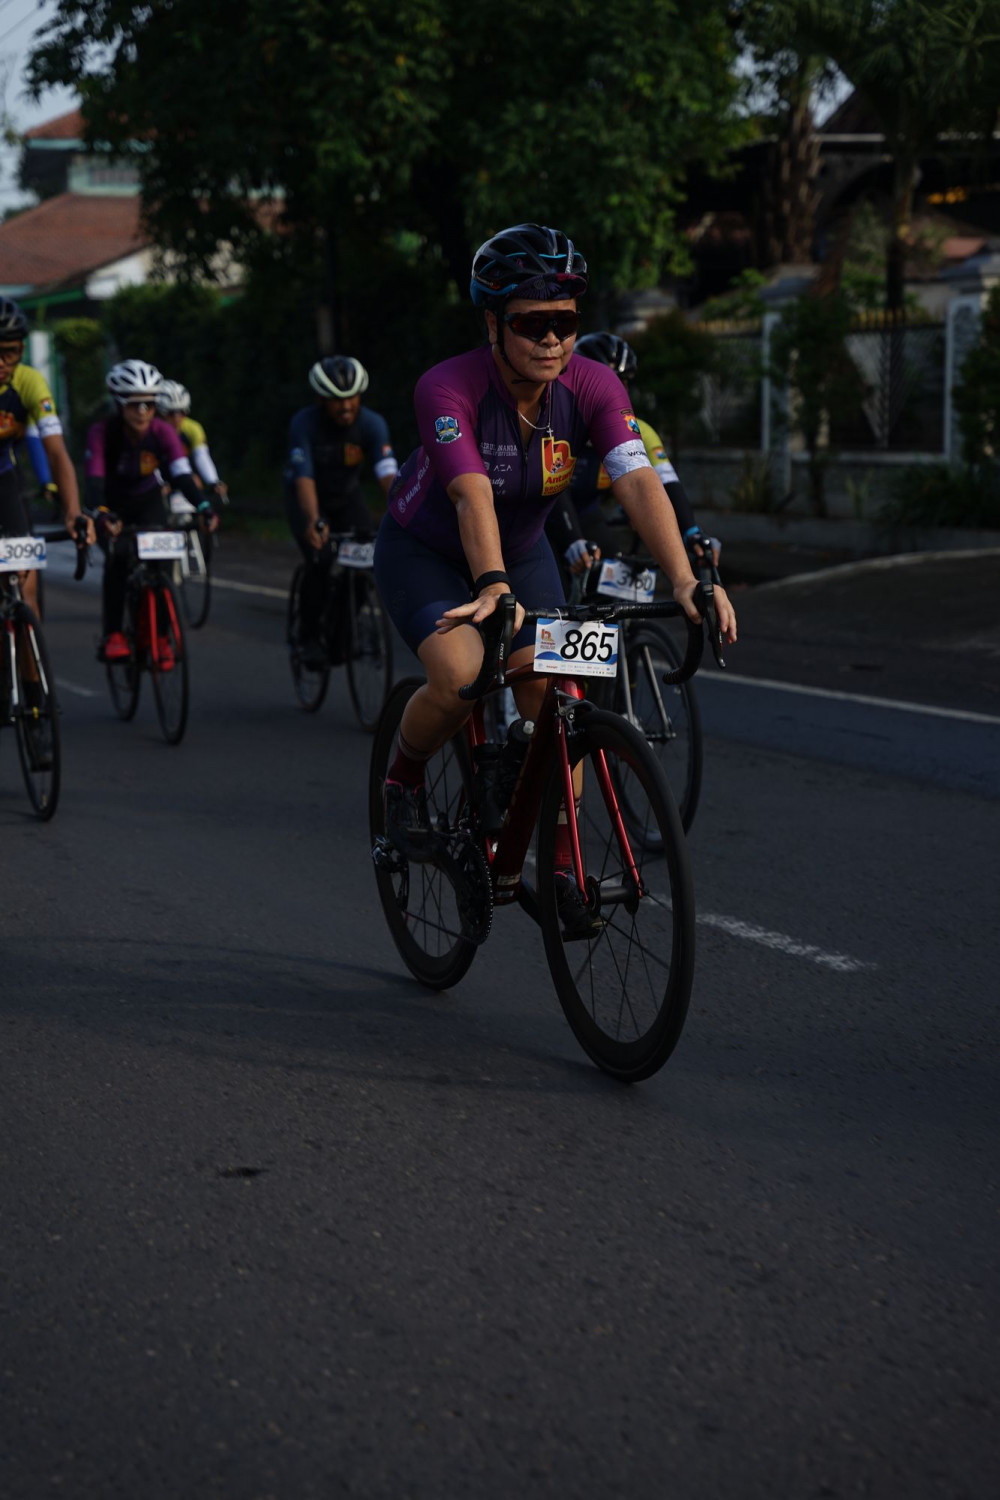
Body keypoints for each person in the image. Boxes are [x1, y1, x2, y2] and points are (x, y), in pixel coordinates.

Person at [373, 222, 737, 914]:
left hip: (523, 552)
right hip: (427, 550)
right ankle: (402, 779)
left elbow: (637, 480)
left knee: (558, 701)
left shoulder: (594, 384)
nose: (551, 340)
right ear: (492, 323)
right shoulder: (446, 387)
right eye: (531, 323)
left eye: (565, 322)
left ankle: (564, 868)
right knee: (459, 678)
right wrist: (492, 584)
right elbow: (471, 494)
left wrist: (687, 577)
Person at [545, 331, 717, 578]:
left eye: (622, 381)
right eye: (602, 379)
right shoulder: (556, 423)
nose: (613, 388)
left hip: (588, 515)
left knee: (620, 582)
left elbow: (666, 481)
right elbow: (552, 490)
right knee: (556, 588)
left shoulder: (638, 429)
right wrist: (572, 539)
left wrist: (692, 532)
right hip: (543, 520)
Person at [84, 360, 215, 663]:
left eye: (150, 404)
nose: (143, 412)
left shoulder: (163, 432)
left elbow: (181, 474)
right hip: (112, 503)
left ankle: (160, 637)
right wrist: (101, 513)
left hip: (148, 502)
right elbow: (94, 481)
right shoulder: (102, 432)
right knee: (118, 559)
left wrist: (204, 506)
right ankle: (114, 634)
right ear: (119, 404)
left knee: (163, 565)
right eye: (134, 405)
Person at [284, 355, 398, 666]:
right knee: (320, 560)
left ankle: (341, 634)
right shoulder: (305, 423)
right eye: (337, 400)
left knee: (366, 564)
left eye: (351, 398)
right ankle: (307, 635)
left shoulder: (372, 424)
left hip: (347, 496)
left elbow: (387, 471)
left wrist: (407, 507)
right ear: (322, 399)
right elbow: (304, 476)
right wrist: (313, 520)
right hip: (308, 498)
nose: (346, 407)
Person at [0, 297, 95, 620]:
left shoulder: (29, 381)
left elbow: (55, 450)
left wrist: (72, 512)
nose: (1, 363)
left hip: (5, 479)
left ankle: (29, 650)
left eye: (9, 352)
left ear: (22, 350)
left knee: (25, 589)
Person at [155, 380, 228, 508]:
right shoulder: (152, 430)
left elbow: (202, 457)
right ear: (160, 413)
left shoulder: (193, 428)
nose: (177, 418)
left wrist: (214, 482)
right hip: (157, 475)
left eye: (182, 412)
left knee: (195, 482)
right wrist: (159, 483)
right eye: (171, 413)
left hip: (183, 475)